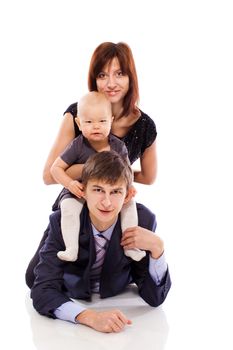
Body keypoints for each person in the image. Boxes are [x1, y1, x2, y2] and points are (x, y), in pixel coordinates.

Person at [25, 41, 157, 288]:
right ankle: (78, 275)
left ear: (131, 78)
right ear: (93, 79)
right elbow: (48, 174)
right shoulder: (79, 114)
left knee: (134, 263)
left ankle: (111, 273)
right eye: (102, 74)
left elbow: (148, 177)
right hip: (77, 201)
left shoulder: (144, 125)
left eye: (119, 73)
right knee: (34, 277)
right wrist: (97, 172)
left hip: (112, 207)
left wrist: (117, 183)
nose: (111, 83)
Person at [30, 151, 171, 333]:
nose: (106, 202)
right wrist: (90, 317)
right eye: (98, 190)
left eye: (115, 192)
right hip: (72, 281)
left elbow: (155, 298)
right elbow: (42, 290)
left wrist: (157, 249)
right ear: (83, 191)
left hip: (113, 282)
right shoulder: (62, 220)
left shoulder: (143, 220)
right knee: (32, 276)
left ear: (127, 196)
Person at [51, 91, 145, 262]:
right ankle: (71, 248)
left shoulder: (118, 146)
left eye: (102, 121)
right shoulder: (77, 145)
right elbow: (55, 169)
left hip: (107, 192)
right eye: (88, 122)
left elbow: (127, 172)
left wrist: (129, 188)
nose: (96, 126)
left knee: (129, 206)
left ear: (111, 121)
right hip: (79, 189)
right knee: (68, 207)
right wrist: (70, 183)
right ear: (79, 123)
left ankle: (131, 247)